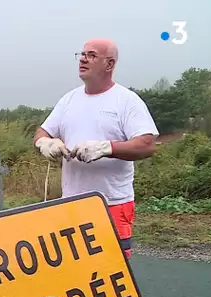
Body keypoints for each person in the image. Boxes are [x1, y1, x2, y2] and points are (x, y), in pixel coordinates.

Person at [33, 38, 159, 259]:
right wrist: (44, 143)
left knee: (113, 268)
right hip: (72, 203)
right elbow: (42, 131)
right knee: (74, 266)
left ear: (109, 64)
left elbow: (147, 145)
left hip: (112, 203)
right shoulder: (68, 100)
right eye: (81, 54)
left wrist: (107, 148)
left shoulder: (127, 101)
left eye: (91, 55)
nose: (83, 59)